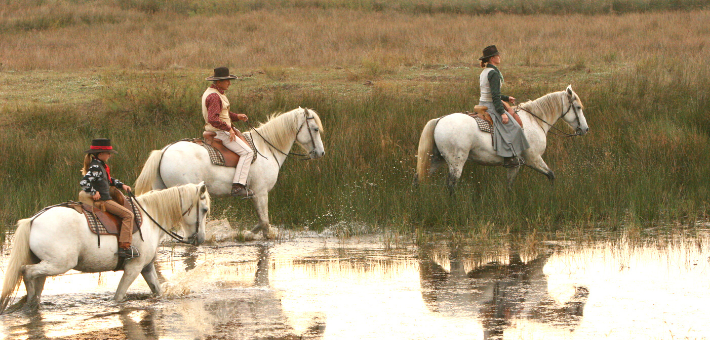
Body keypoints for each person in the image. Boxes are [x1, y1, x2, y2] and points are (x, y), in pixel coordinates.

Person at [79, 138, 138, 259]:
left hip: (106, 197)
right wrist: (93, 192)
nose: (110, 155)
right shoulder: (96, 166)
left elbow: (109, 180)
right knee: (128, 215)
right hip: (104, 200)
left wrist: (121, 185)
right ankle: (124, 247)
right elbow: (84, 182)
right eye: (108, 153)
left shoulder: (100, 165)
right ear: (100, 154)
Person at [202, 67, 254, 198]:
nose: (229, 83)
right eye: (227, 81)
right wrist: (229, 129)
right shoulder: (214, 96)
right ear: (218, 82)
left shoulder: (214, 93)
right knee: (248, 152)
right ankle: (238, 186)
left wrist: (236, 116)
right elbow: (213, 119)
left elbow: (222, 112)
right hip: (220, 132)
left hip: (220, 130)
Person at [478, 45, 530, 168]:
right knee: (514, 127)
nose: (499, 56)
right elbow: (495, 96)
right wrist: (501, 113)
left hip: (482, 103)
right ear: (492, 59)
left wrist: (506, 98)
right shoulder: (494, 73)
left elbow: (491, 92)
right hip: (491, 105)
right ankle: (509, 157)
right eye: (497, 55)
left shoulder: (484, 72)